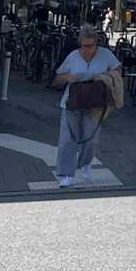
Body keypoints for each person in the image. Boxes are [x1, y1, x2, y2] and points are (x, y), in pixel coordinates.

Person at [52, 24, 120, 187]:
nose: (86, 49)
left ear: (96, 43)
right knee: (68, 139)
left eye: (90, 46)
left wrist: (107, 77)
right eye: (83, 46)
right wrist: (67, 77)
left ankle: (85, 163)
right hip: (73, 100)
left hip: (95, 101)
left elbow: (118, 71)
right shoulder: (73, 56)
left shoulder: (105, 55)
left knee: (91, 138)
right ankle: (66, 174)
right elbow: (57, 78)